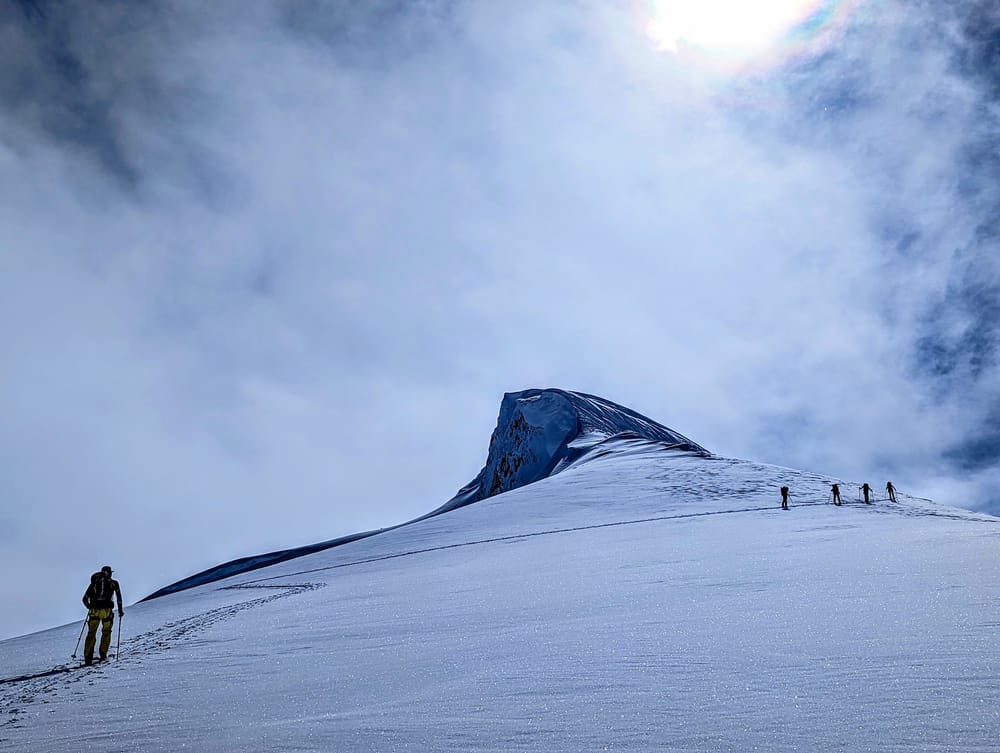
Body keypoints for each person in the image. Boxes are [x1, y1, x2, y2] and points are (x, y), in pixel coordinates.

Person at [82, 566, 124, 665]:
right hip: (107, 611)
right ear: (110, 573)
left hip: (94, 611)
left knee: (91, 633)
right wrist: (120, 611)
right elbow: (119, 598)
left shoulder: (94, 583)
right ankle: (103, 654)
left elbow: (84, 598)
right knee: (106, 631)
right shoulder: (114, 583)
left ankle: (88, 657)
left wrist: (90, 607)